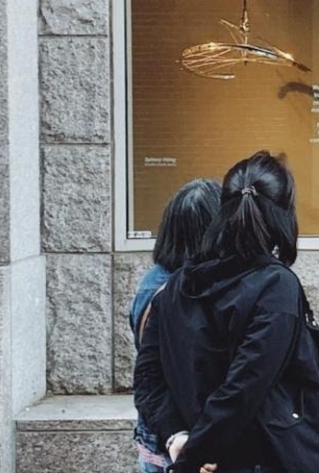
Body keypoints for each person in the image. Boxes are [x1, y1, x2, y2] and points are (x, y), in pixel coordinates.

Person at [134, 152, 319, 473]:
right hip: (266, 457)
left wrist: (178, 438)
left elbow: (147, 376)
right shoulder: (276, 287)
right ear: (285, 212)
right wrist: (191, 454)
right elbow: (244, 387)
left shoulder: (177, 285)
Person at [129, 179, 221, 473]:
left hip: (158, 436)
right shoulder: (201, 292)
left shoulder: (150, 284)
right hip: (194, 440)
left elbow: (148, 371)